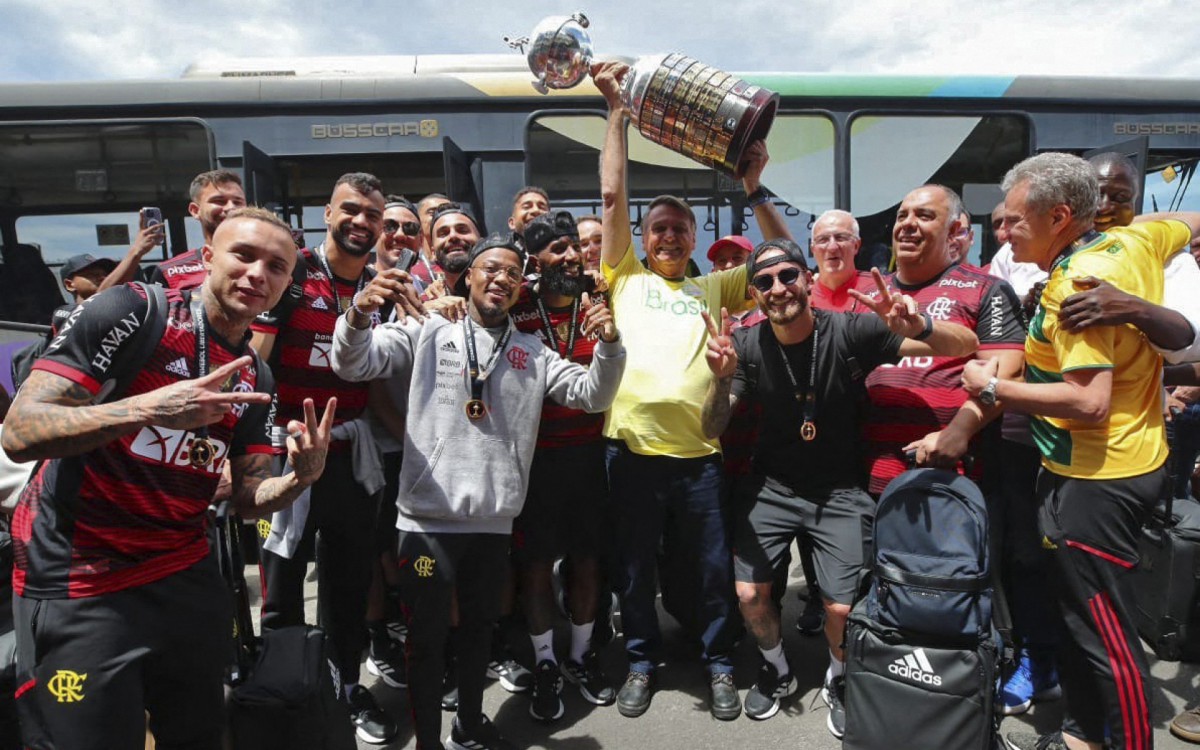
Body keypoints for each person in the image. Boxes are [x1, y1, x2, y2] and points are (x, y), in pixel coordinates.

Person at [2, 206, 335, 749]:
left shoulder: (255, 372)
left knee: (200, 734)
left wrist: (300, 479)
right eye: (244, 256)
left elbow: (250, 498)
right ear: (207, 258)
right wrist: (147, 409)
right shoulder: (132, 311)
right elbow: (20, 430)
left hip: (182, 572)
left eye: (276, 267)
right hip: (80, 577)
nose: (258, 274)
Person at [330, 231, 626, 750]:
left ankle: (469, 723)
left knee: (478, 632)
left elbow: (591, 394)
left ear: (520, 287)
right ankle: (428, 741)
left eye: (513, 273)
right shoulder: (426, 326)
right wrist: (357, 315)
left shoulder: (532, 351)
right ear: (469, 275)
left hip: (492, 524)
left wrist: (609, 344)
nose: (502, 279)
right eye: (491, 268)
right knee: (426, 641)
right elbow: (353, 363)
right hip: (426, 525)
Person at [963, 151, 1200, 750]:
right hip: (1113, 464)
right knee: (1079, 621)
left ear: (1061, 216)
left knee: (1105, 639)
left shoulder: (1079, 284)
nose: (1004, 229)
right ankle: (1083, 738)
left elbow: (1088, 401)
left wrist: (991, 386)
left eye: (1014, 220)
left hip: (1098, 480)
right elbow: (1190, 221)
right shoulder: (1139, 238)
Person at [701, 240, 978, 734]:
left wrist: (921, 326)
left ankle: (839, 674)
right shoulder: (744, 344)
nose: (777, 288)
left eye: (787, 275)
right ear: (756, 294)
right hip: (773, 486)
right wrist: (720, 381)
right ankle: (777, 669)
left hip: (840, 489)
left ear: (808, 279)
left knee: (842, 606)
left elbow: (965, 345)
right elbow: (710, 427)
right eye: (763, 282)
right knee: (748, 594)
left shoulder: (851, 329)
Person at [591, 60, 791, 721]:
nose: (670, 235)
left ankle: (718, 664)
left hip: (700, 459)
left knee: (710, 575)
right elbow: (614, 198)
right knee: (634, 573)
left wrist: (755, 188)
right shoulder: (625, 277)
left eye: (681, 227)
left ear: (696, 239)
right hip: (630, 455)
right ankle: (642, 663)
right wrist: (617, 116)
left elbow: (789, 262)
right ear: (645, 243)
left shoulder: (714, 288)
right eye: (660, 229)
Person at [250, 172, 421, 745]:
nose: (362, 222)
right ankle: (282, 694)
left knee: (349, 582)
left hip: (351, 454)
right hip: (287, 452)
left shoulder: (383, 284)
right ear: (327, 213)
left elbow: (376, 378)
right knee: (282, 581)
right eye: (351, 210)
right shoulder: (292, 273)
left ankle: (344, 685)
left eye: (372, 216)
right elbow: (253, 364)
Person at [506, 211, 618, 721]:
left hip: (589, 457)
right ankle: (545, 661)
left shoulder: (601, 302)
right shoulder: (514, 307)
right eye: (557, 249)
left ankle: (580, 655)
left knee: (588, 560)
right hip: (531, 461)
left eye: (574, 246)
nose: (571, 255)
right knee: (533, 567)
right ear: (535, 260)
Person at [861, 184, 1026, 495]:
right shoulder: (868, 293)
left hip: (951, 478)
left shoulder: (986, 288)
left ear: (953, 231)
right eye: (902, 216)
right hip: (866, 481)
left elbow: (1009, 373)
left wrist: (957, 432)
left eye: (924, 216)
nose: (908, 224)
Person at [149, 170, 248, 291]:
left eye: (238, 202)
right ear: (195, 210)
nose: (231, 207)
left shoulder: (269, 262)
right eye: (219, 201)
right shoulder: (169, 272)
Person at [808, 210, 875, 314]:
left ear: (856, 245)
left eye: (840, 238)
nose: (832, 247)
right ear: (813, 249)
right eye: (823, 239)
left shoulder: (878, 290)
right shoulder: (802, 297)